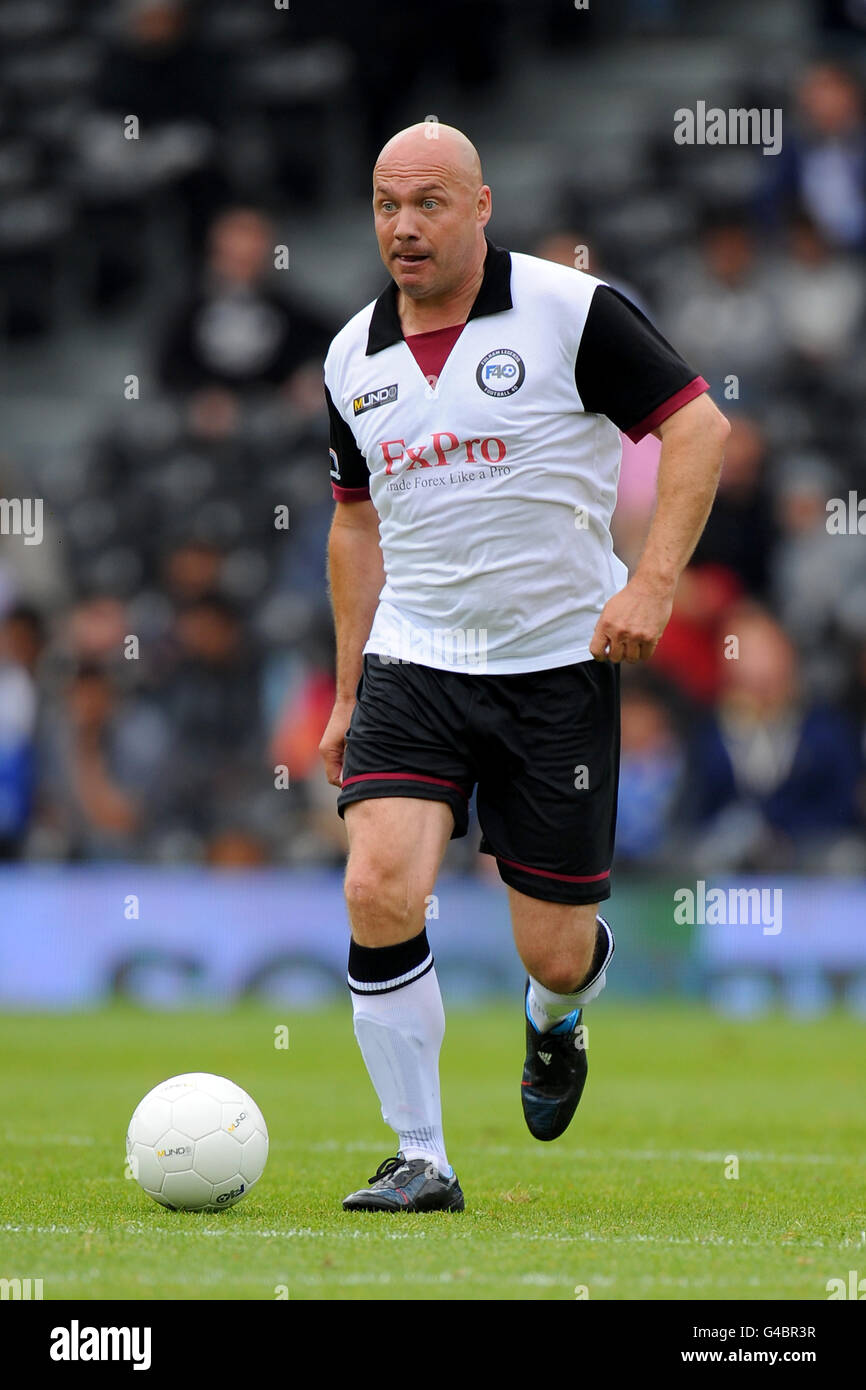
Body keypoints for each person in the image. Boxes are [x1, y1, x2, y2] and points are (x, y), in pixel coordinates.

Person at [318, 123, 729, 1212]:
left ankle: (555, 1024)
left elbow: (697, 432)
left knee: (550, 953)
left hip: (555, 665)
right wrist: (350, 687)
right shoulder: (348, 354)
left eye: (429, 203)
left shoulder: (568, 310)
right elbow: (353, 526)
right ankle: (419, 1155)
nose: (403, 226)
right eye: (384, 204)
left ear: (481, 205)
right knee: (375, 885)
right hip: (414, 661)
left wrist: (647, 585)